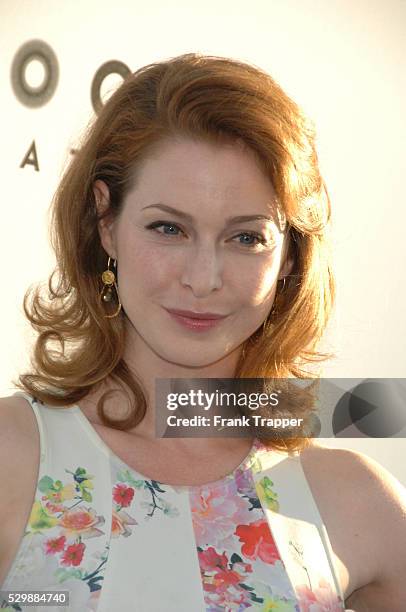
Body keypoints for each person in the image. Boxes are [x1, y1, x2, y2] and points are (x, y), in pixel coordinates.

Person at [0, 52, 404, 612]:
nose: (203, 279)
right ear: (106, 223)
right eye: (168, 228)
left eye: (245, 238)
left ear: (291, 255)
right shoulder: (11, 456)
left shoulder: (358, 503)